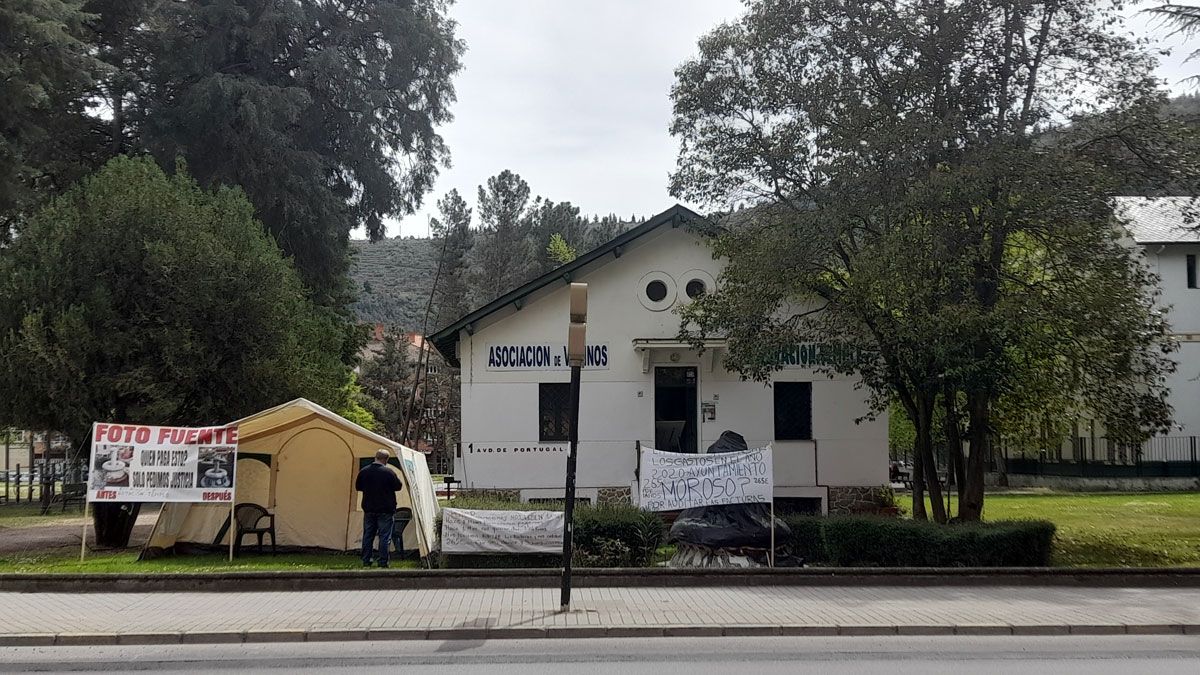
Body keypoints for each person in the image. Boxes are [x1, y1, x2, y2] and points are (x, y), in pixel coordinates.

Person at [356, 448, 403, 568]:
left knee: (368, 536)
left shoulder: (364, 471)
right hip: (386, 509)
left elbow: (358, 487)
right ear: (386, 460)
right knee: (384, 536)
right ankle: (383, 561)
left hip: (369, 508)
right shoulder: (389, 472)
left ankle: (366, 560)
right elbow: (398, 486)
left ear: (375, 457)